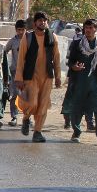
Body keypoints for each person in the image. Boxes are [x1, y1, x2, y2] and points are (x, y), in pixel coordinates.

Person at [15, 12, 63, 143]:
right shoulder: (28, 37)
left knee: (43, 105)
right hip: (31, 76)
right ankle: (26, 118)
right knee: (32, 103)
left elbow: (56, 59)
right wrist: (18, 77)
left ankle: (37, 132)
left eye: (44, 20)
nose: (42, 22)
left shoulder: (52, 37)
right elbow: (21, 59)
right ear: (35, 23)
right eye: (40, 20)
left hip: (47, 76)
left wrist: (58, 76)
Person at [66, 18, 97, 145]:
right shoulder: (77, 43)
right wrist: (75, 67)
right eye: (87, 28)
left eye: (91, 28)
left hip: (95, 81)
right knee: (77, 107)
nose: (89, 30)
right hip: (80, 80)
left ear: (95, 29)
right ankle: (76, 132)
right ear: (84, 29)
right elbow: (70, 61)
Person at [4, 19, 27, 126]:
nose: (21, 32)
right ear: (16, 30)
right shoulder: (13, 41)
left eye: (23, 30)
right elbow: (4, 52)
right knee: (14, 95)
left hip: (27, 73)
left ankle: (27, 117)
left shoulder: (30, 40)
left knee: (27, 95)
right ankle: (14, 117)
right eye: (19, 30)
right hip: (14, 72)